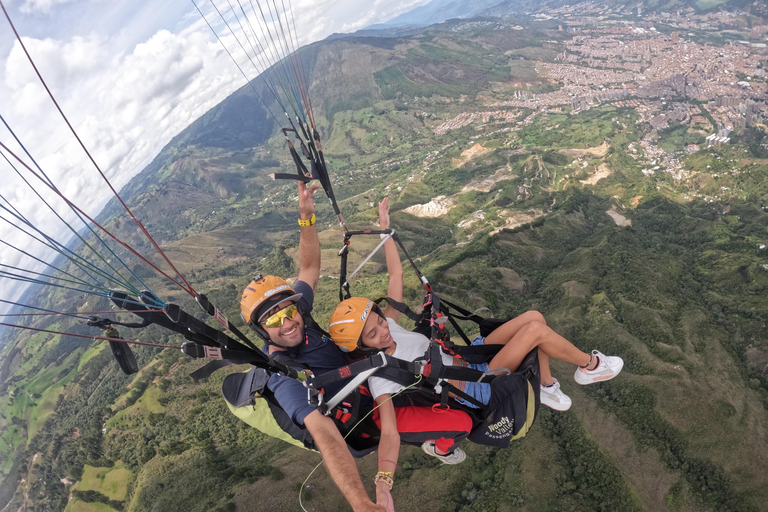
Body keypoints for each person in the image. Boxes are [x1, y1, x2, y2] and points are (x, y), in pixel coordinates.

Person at [328, 199, 625, 499]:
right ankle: (590, 366)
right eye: (371, 334)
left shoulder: (390, 327)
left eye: (378, 320)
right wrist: (383, 483)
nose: (381, 331)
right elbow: (390, 432)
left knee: (535, 317)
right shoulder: (381, 376)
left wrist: (384, 228)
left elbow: (396, 277)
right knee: (535, 332)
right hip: (476, 387)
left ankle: (546, 386)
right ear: (361, 348)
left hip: (469, 357)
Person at [238, 182, 472, 512]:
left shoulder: (299, 313)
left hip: (370, 368)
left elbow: (309, 268)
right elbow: (324, 434)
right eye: (273, 322)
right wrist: (361, 501)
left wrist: (306, 217)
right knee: (461, 422)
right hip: (367, 417)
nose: (287, 323)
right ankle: (441, 448)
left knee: (430, 354)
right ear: (260, 330)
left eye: (289, 312)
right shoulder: (282, 374)